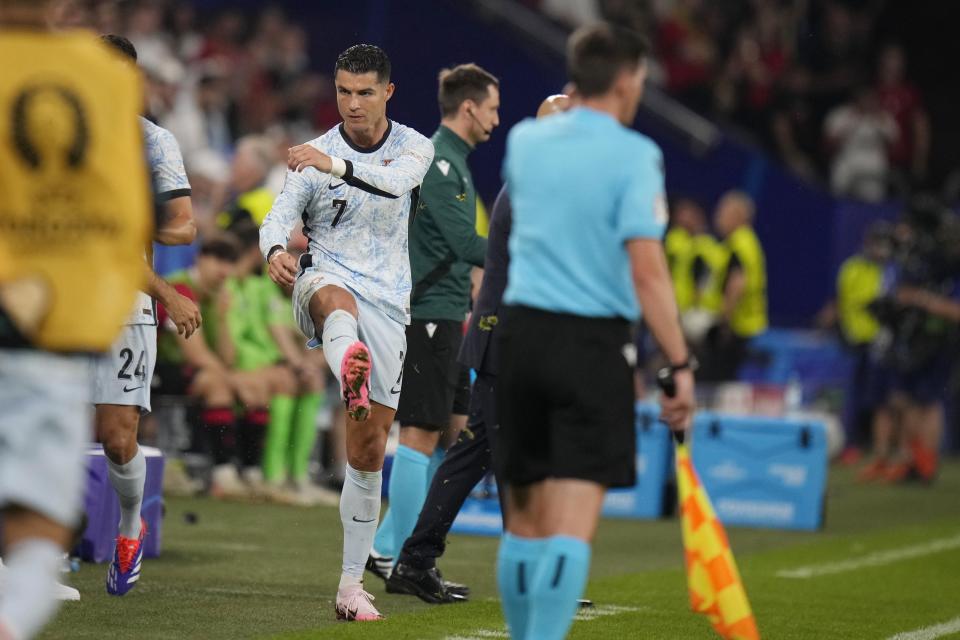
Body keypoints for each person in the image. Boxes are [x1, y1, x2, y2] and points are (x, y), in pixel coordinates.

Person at [495, 25, 695, 640]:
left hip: (520, 339)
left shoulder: (525, 142)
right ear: (631, 78)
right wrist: (678, 364)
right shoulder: (635, 156)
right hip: (590, 346)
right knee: (570, 524)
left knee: (523, 522)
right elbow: (646, 267)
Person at [259, 44, 434, 622]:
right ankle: (348, 360)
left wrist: (328, 165)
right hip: (329, 281)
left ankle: (349, 588)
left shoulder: (414, 147)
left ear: (388, 92)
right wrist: (274, 251)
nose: (352, 103)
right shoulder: (314, 156)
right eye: (342, 91)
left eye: (363, 92)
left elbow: (396, 184)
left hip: (390, 302)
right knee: (335, 301)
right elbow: (277, 216)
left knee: (367, 451)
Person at [0, 5, 150, 636]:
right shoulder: (93, 78)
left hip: (58, 316)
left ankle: (123, 532)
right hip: (46, 312)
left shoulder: (108, 83)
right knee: (38, 498)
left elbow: (127, 219)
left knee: (57, 489)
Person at [385, 95, 571, 605]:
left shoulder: (538, 183)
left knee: (475, 455)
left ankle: (415, 558)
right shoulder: (538, 187)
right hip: (511, 340)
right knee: (514, 455)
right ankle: (527, 575)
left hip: (505, 338)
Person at [368, 62, 500, 581]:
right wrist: (538, 252)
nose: (496, 117)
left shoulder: (454, 161)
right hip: (426, 313)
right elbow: (465, 245)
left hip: (447, 313)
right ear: (469, 108)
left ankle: (390, 547)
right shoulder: (440, 162)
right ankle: (395, 554)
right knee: (421, 434)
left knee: (458, 435)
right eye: (492, 107)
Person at [93, 35, 201, 597]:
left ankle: (129, 528)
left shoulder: (153, 143)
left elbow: (184, 225)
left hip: (126, 306)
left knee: (116, 437)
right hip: (62, 303)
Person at [699, 190, 768, 382]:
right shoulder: (744, 242)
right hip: (741, 323)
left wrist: (724, 321)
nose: (717, 216)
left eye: (722, 211)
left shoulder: (739, 243)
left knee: (719, 377)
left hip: (737, 324)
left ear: (737, 216)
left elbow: (737, 283)